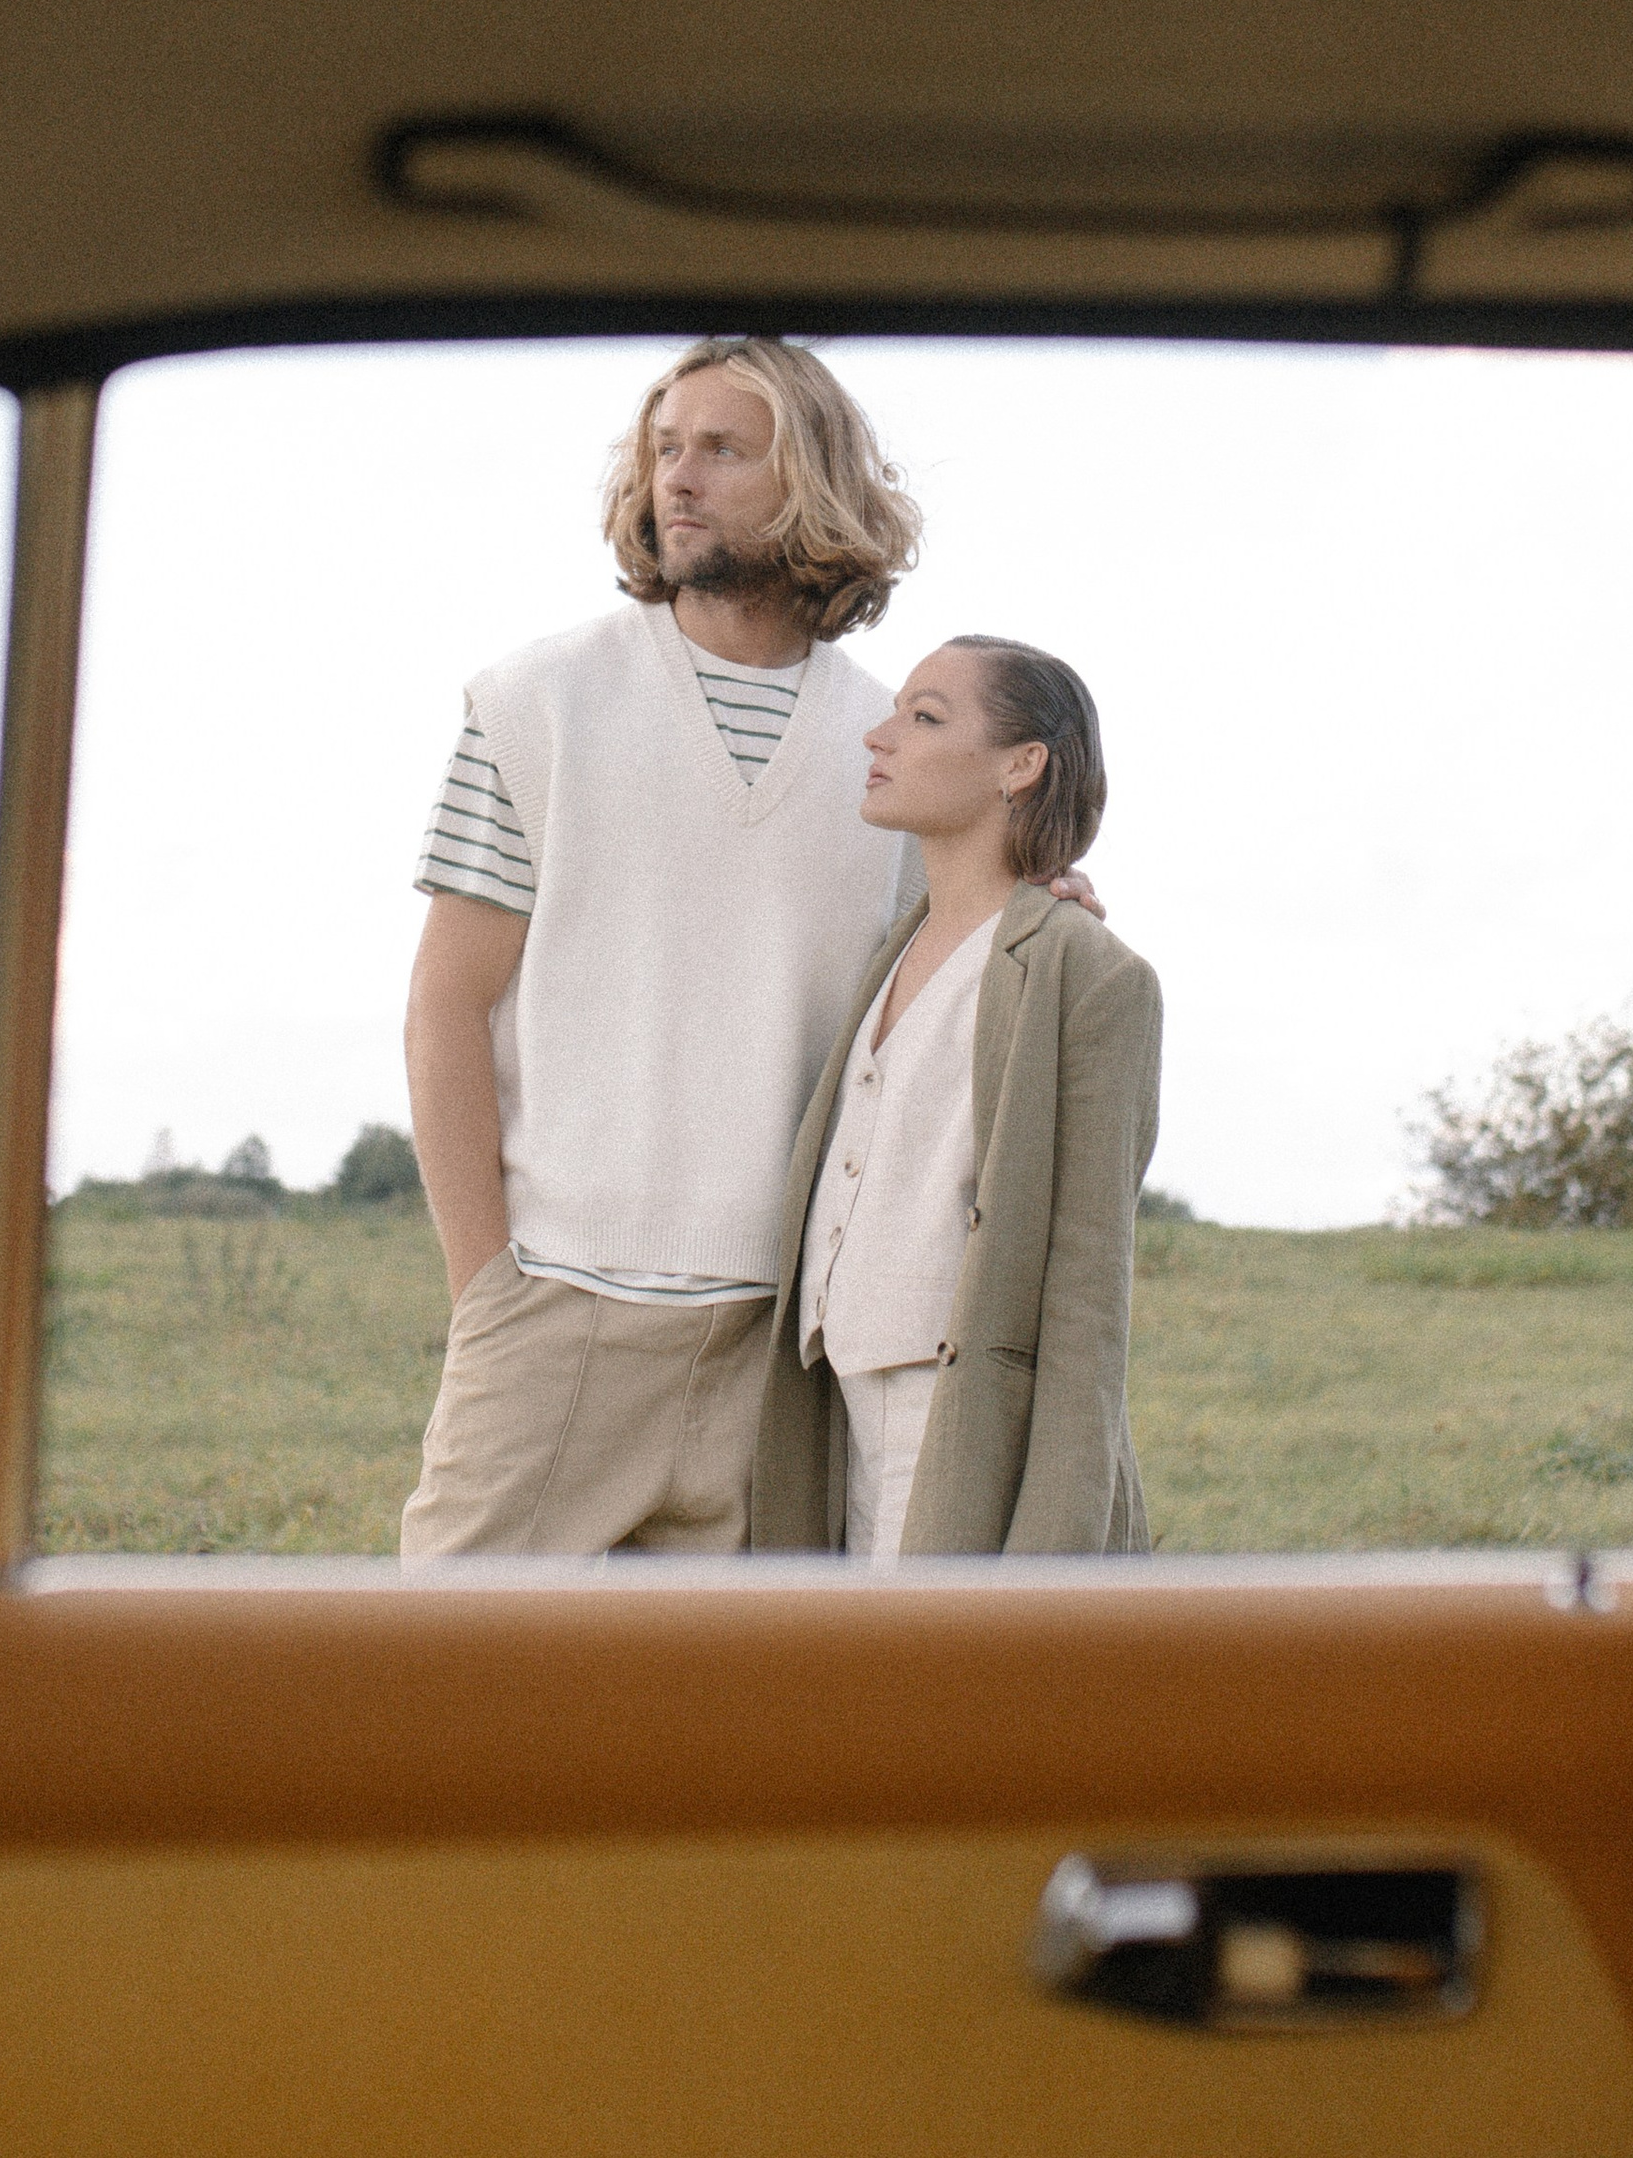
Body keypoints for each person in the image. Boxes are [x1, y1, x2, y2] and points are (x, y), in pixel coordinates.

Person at [399, 337, 1093, 1557]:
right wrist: (487, 1290)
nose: (677, 477)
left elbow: (929, 1005)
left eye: (722, 449)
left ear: (812, 476)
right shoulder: (532, 704)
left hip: (786, 1345)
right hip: (554, 1315)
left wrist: (1037, 909)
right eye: (665, 448)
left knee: (742, 1687)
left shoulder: (891, 750)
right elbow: (443, 1008)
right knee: (451, 1675)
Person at [751, 637, 1160, 1558]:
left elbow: (1088, 1291)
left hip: (965, 1426)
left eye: (925, 717)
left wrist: (1057, 1537)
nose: (880, 735)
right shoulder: (884, 952)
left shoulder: (1091, 973)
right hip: (834, 1414)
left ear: (1021, 765)